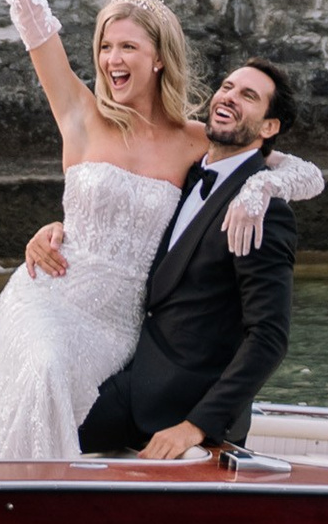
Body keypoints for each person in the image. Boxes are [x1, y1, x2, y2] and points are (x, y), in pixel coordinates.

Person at [0, 0, 321, 464]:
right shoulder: (81, 116)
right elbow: (32, 20)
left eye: (128, 47)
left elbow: (301, 170)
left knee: (55, 394)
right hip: (49, 295)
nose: (113, 58)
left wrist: (261, 187)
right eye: (106, 46)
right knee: (44, 367)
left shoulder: (196, 141)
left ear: (158, 58)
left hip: (117, 331)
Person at [32, 58, 308, 459]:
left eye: (248, 96)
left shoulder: (259, 208)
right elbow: (124, 227)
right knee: (12, 417)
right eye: (227, 87)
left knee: (28, 432)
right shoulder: (187, 172)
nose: (229, 97)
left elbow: (269, 336)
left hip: (178, 412)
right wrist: (58, 229)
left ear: (269, 128)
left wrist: (196, 426)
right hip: (130, 376)